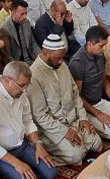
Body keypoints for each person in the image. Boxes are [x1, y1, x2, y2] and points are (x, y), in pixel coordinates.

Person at [27, 34, 102, 165]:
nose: (61, 61)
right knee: (77, 155)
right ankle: (47, 156)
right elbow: (40, 116)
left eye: (63, 57)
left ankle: (75, 146)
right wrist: (64, 131)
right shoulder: (34, 75)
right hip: (53, 129)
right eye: (58, 58)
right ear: (45, 53)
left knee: (97, 144)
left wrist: (83, 118)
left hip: (74, 120)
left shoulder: (62, 65)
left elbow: (75, 94)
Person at [1, 0, 39, 64]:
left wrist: (40, 56)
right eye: (22, 14)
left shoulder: (26, 22)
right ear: (13, 13)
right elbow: (8, 56)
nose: (24, 17)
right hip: (17, 63)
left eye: (26, 13)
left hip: (31, 60)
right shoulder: (5, 28)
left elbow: (33, 43)